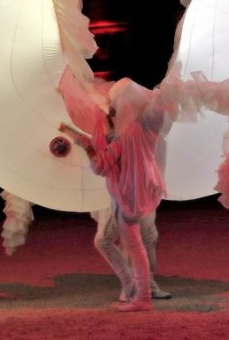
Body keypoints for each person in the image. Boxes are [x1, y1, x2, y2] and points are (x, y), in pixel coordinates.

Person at [60, 78, 167, 312]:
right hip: (144, 193)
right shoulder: (145, 128)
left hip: (126, 196)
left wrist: (85, 145)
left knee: (136, 242)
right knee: (141, 240)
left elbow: (100, 166)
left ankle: (140, 293)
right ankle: (139, 291)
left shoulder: (122, 136)